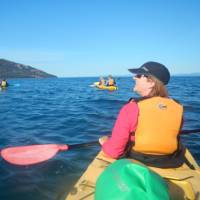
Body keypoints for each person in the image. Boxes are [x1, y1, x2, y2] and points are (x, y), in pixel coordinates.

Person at [99, 61, 186, 168]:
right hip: (170, 161)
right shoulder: (177, 107)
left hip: (138, 161)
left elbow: (113, 151)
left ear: (151, 82)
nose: (134, 78)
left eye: (139, 75)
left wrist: (105, 142)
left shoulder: (131, 108)